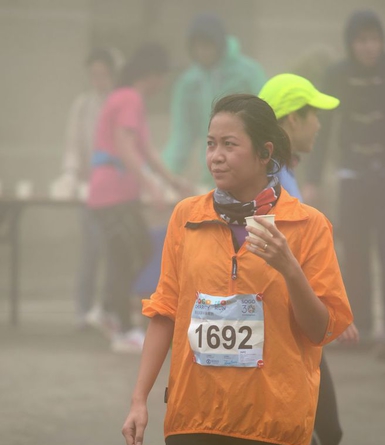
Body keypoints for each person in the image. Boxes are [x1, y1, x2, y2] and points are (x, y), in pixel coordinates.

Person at [122, 93, 353, 445]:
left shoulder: (307, 225)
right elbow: (164, 310)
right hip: (194, 413)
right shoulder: (186, 217)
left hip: (267, 418)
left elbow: (321, 329)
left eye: (230, 144)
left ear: (266, 152)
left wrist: (289, 268)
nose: (216, 156)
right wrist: (139, 398)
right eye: (210, 144)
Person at [259, 73, 367, 445]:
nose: (320, 125)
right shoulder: (273, 180)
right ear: (289, 120)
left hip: (289, 330)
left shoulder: (279, 175)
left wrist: (325, 307)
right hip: (284, 336)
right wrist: (320, 309)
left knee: (300, 441)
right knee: (312, 440)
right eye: (313, 115)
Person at [304, 11, 385, 360]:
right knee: (354, 254)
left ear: (382, 41)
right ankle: (358, 330)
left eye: (374, 39)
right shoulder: (337, 75)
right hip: (352, 176)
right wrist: (313, 179)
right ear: (351, 43)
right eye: (361, 40)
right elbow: (323, 127)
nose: (368, 47)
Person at [88, 43, 190, 354]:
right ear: (151, 75)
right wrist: (151, 186)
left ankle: (108, 311)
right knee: (128, 255)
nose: (163, 83)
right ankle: (123, 328)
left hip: (118, 193)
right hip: (112, 193)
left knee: (136, 250)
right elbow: (124, 146)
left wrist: (171, 180)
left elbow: (146, 150)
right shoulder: (129, 99)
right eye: (163, 76)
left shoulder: (129, 99)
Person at [53, 48, 117, 330]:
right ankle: (84, 308)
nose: (98, 80)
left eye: (103, 74)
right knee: (91, 248)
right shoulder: (83, 105)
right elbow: (73, 145)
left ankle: (108, 308)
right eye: (94, 75)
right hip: (89, 188)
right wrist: (70, 174)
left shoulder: (120, 102)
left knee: (114, 250)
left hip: (115, 189)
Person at [163, 13, 266, 187]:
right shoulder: (188, 83)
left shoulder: (248, 73)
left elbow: (267, 119)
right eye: (197, 46)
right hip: (213, 174)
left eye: (207, 45)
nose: (202, 51)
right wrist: (164, 173)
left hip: (247, 172)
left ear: (219, 44)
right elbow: (182, 135)